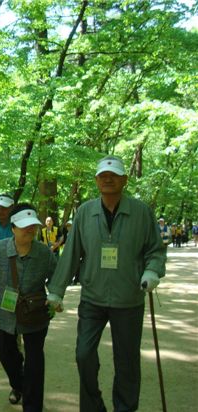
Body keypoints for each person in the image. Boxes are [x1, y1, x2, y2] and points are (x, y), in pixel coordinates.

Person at [47, 155, 166, 412]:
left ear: (124, 180)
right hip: (93, 297)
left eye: (114, 175)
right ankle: (93, 407)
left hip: (129, 298)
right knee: (84, 354)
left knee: (127, 361)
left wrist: (152, 272)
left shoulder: (142, 212)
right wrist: (56, 291)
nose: (108, 179)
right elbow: (71, 254)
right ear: (96, 180)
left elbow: (155, 251)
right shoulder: (85, 213)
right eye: (103, 175)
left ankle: (125, 407)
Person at [0, 203, 56, 410]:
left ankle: (32, 406)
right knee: (6, 354)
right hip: (4, 313)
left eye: (33, 225)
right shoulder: (0, 249)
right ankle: (19, 384)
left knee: (35, 361)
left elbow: (56, 278)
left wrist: (56, 296)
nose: (30, 229)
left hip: (34, 313)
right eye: (24, 226)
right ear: (13, 227)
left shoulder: (44, 253)